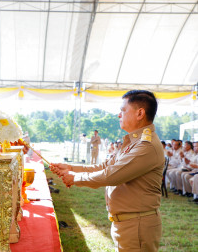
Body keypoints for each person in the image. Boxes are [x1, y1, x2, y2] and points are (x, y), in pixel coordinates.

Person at [50, 90, 164, 251]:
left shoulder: (146, 145)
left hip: (136, 226)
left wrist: (75, 177)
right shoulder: (134, 141)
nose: (119, 115)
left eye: (123, 110)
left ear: (140, 113)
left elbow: (111, 175)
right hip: (128, 223)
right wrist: (70, 168)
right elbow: (105, 166)